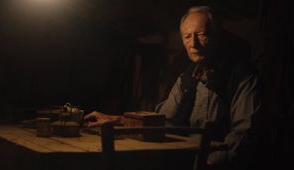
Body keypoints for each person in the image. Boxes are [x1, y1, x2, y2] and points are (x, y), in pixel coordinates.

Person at [84, 6, 261, 169]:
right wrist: (116, 120)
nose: (194, 43)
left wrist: (208, 162)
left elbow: (243, 135)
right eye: (187, 36)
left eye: (201, 34)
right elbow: (164, 120)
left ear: (216, 36)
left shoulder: (241, 76)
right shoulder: (188, 77)